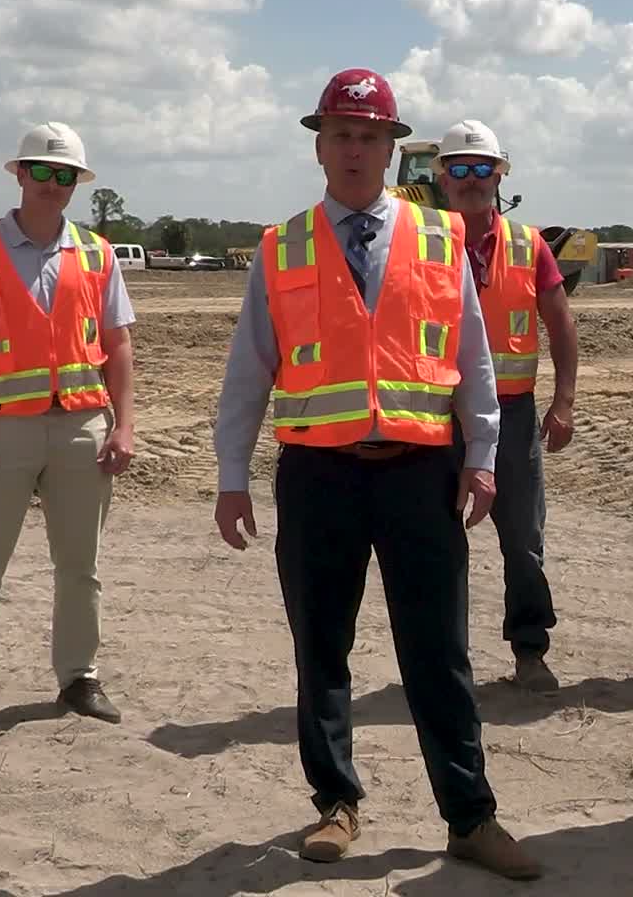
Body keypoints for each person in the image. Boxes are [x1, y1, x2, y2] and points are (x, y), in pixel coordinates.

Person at [211, 69, 542, 880]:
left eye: (369, 136)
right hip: (317, 475)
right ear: (319, 147)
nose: (355, 149)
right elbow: (249, 369)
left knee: (439, 651)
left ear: (393, 150)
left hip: (419, 472)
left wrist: (482, 457)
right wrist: (232, 474)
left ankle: (470, 817)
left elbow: (472, 357)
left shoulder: (438, 239)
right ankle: (335, 803)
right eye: (341, 135)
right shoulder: (281, 247)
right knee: (321, 647)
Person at [0, 122, 136, 732]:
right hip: (0, 433)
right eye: (43, 172)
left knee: (81, 567)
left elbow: (118, 345)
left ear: (77, 182)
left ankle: (79, 679)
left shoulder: (97, 255)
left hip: (81, 428)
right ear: (20, 174)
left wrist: (124, 425)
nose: (53, 184)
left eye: (65, 175)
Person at [434, 118, 579, 693]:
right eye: (460, 168)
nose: (472, 179)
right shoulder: (421, 243)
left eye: (483, 168)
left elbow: (561, 326)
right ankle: (444, 660)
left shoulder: (528, 245)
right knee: (438, 541)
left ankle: (530, 649)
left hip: (512, 416)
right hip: (437, 415)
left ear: (500, 176)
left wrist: (563, 402)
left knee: (522, 539)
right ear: (443, 178)